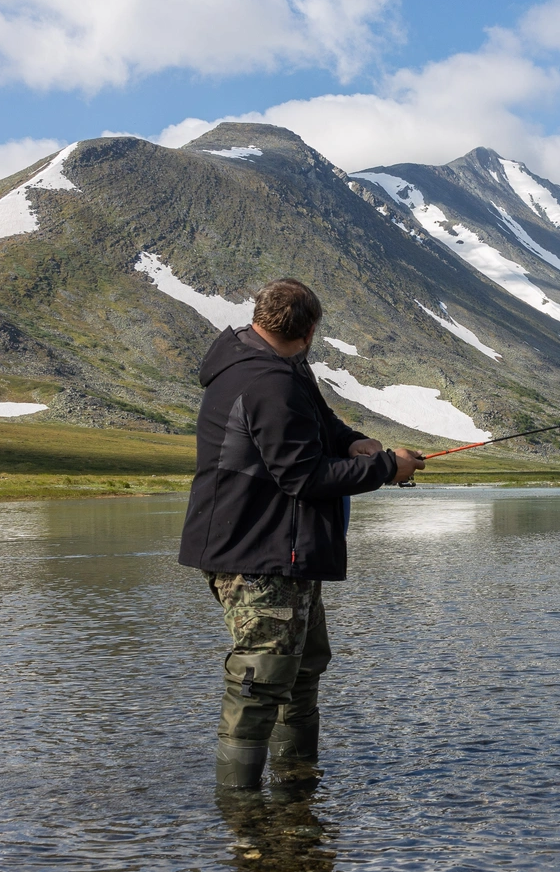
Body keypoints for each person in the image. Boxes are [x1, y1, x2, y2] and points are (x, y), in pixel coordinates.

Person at [179, 278, 425, 788]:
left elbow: (320, 425)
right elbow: (304, 476)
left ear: (261, 318)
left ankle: (296, 792)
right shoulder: (268, 381)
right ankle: (240, 809)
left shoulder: (281, 368)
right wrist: (385, 468)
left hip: (280, 550)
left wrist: (356, 443)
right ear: (311, 330)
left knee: (301, 671)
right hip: (258, 554)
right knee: (262, 678)